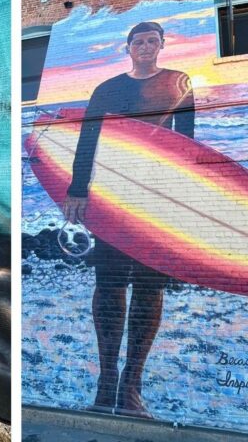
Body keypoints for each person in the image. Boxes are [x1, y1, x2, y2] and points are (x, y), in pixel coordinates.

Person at [62, 21, 194, 419]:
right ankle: (105, 382)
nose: (146, 47)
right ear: (128, 47)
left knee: (151, 286)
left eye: (153, 41)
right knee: (110, 281)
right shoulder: (108, 89)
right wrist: (77, 188)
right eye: (139, 41)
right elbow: (87, 139)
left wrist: (189, 198)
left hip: (159, 196)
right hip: (114, 195)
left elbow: (188, 143)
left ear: (162, 45)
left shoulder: (179, 83)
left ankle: (130, 386)